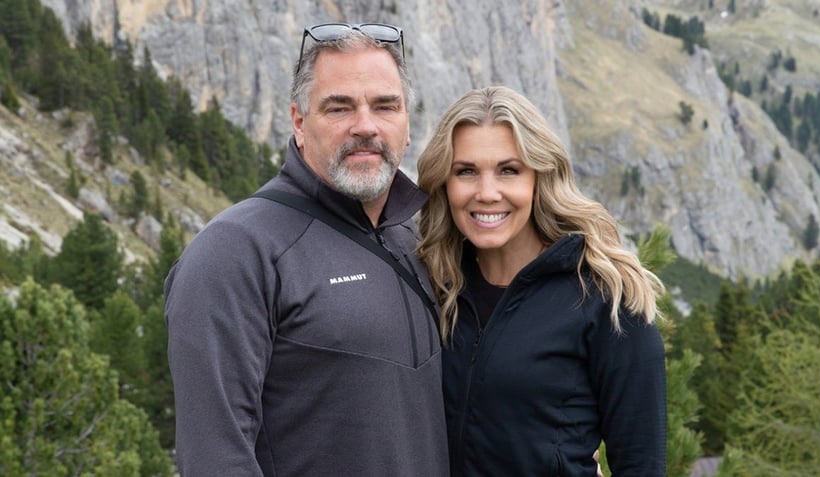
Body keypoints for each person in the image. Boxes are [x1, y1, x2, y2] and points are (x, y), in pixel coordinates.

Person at [164, 23, 448, 476]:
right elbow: (215, 457)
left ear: (406, 123)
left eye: (385, 106)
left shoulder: (415, 242)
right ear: (299, 121)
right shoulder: (234, 251)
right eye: (339, 108)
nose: (365, 126)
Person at [416, 85, 667, 476]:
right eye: (465, 171)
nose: (486, 193)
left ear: (540, 177)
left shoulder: (606, 297)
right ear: (444, 184)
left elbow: (641, 464)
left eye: (508, 170)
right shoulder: (434, 284)